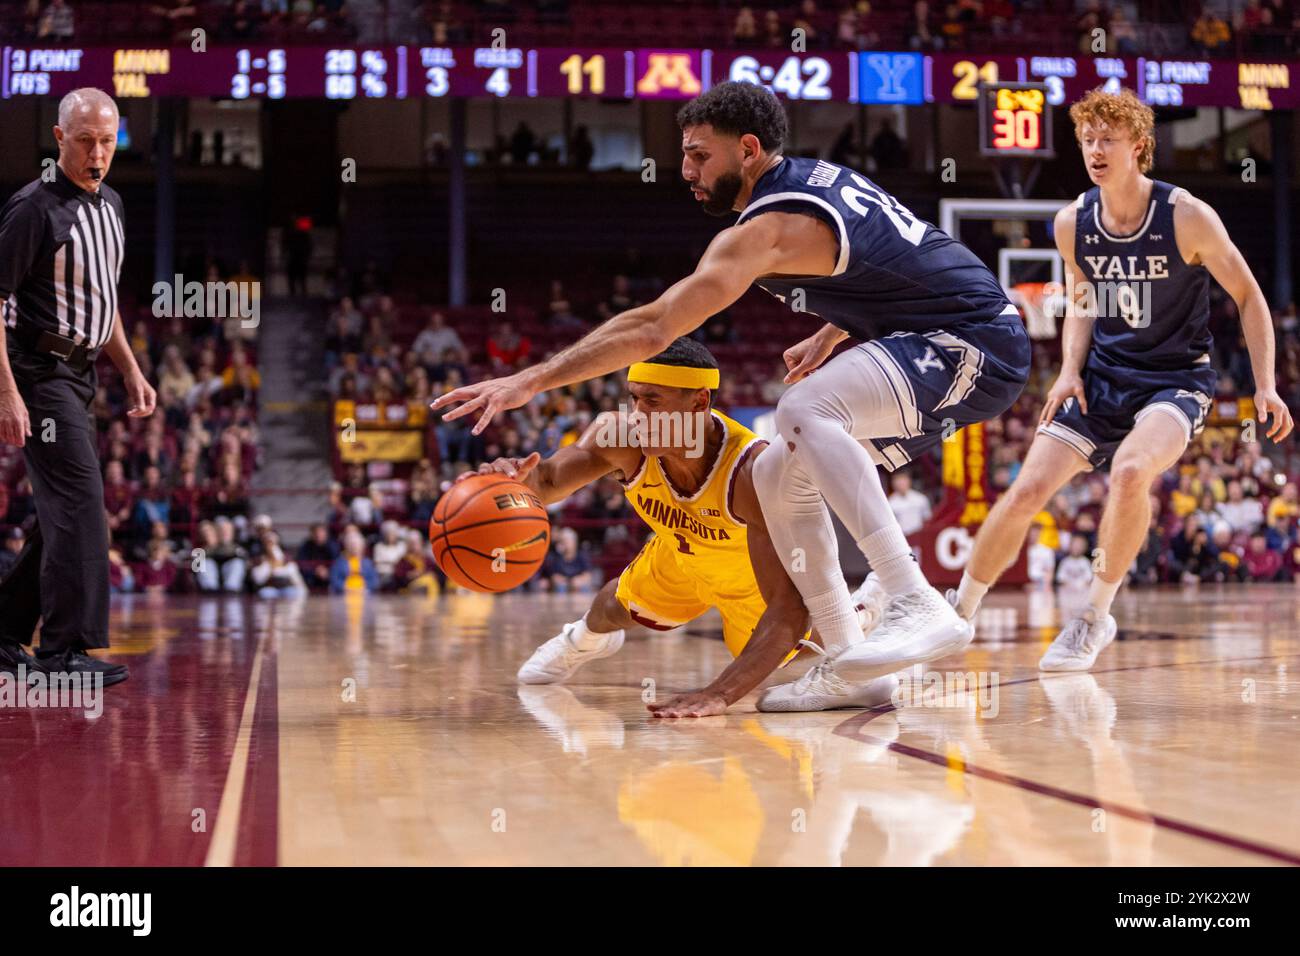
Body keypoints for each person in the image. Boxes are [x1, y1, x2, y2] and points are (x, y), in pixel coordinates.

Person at [434, 81, 1029, 709]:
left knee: (800, 409)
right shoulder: (812, 186)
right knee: (778, 472)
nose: (685, 170)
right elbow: (903, 264)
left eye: (699, 156)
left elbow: (653, 327)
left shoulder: (764, 227)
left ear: (748, 150)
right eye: (684, 155)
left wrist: (529, 379)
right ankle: (853, 661)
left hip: (974, 341)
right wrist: (834, 331)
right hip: (941, 335)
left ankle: (911, 595)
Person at [948, 88, 1291, 672]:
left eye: (1108, 139)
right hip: (1102, 378)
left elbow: (1249, 296)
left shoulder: (1186, 216)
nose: (1095, 150)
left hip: (1175, 381)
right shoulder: (1072, 222)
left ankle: (1092, 617)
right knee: (1027, 490)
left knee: (1131, 471)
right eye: (1087, 140)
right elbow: (1083, 298)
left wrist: (1265, 384)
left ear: (1139, 146)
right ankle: (957, 614)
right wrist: (1068, 372)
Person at [463, 337, 898, 715]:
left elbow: (787, 607)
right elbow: (549, 481)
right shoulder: (621, 439)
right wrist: (511, 481)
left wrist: (718, 694)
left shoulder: (751, 472)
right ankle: (578, 641)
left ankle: (860, 610)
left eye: (652, 401)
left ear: (699, 403)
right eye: (633, 398)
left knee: (804, 650)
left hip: (752, 585)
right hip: (681, 556)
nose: (636, 414)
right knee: (607, 609)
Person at [0, 88, 156, 687]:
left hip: (81, 373)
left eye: (107, 141)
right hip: (37, 374)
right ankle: (63, 652)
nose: (97, 153)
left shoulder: (112, 205)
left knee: (61, 511)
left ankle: (4, 629)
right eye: (85, 140)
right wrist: (8, 393)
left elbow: (104, 304)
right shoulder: (33, 209)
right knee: (83, 504)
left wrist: (132, 370)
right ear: (60, 138)